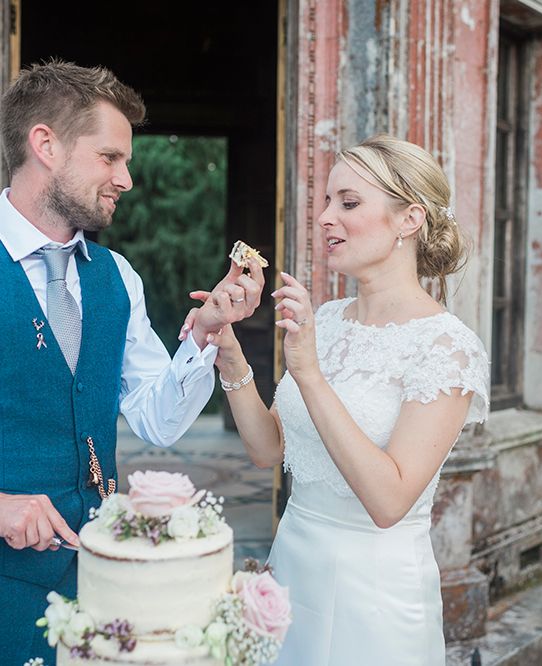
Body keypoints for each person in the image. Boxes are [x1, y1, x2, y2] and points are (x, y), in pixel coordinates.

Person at [0, 60, 263, 665]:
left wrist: (205, 331)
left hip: (96, 582)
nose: (127, 178)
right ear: (46, 144)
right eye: (110, 157)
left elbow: (158, 421)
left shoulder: (118, 278)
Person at [193, 135, 489, 664]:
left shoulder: (447, 347)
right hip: (291, 569)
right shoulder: (327, 321)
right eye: (327, 201)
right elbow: (267, 450)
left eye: (348, 203)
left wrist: (308, 372)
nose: (326, 217)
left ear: (409, 219)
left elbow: (388, 501)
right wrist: (230, 354)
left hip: (373, 597)